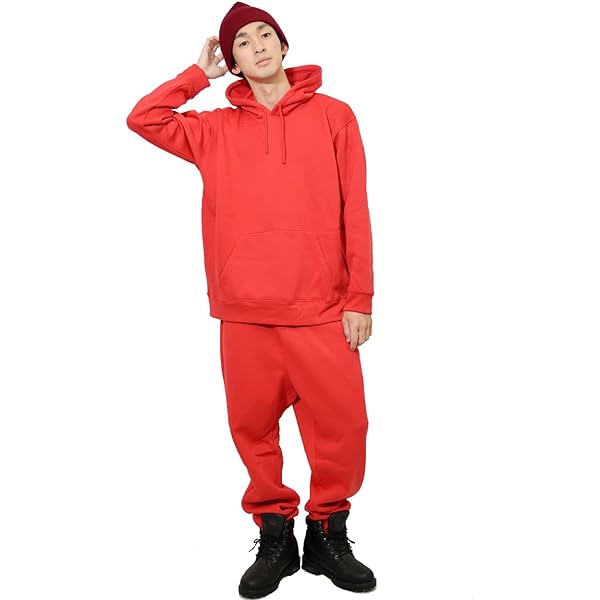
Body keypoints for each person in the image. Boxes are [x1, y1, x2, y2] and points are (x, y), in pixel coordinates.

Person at [126, 2, 376, 597]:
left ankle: (328, 533)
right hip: (244, 310)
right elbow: (144, 118)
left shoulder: (335, 116)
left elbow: (356, 208)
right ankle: (275, 537)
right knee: (252, 428)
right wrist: (197, 75)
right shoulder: (212, 129)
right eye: (242, 42)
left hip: (321, 307)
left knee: (344, 427)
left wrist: (360, 296)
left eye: (266, 34)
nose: (258, 45)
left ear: (284, 46)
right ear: (233, 61)